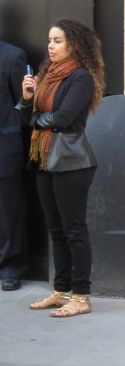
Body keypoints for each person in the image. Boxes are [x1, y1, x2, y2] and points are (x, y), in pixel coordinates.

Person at [16, 18, 105, 317]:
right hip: (44, 158)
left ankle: (81, 296)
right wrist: (27, 99)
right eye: (49, 41)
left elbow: (64, 119)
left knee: (74, 230)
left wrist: (36, 119)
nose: (51, 46)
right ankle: (62, 291)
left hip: (71, 162)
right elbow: (32, 117)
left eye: (58, 41)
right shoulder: (47, 75)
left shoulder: (81, 78)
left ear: (74, 45)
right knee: (56, 230)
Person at [0, 40, 28, 292]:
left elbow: (24, 107)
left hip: (4, 146)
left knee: (9, 212)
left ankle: (11, 268)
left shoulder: (12, 55)